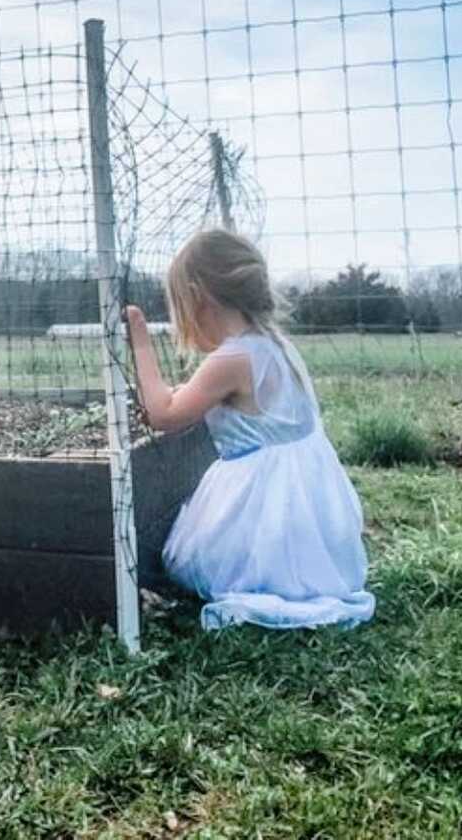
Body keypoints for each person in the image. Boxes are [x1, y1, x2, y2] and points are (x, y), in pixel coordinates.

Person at [126, 229, 375, 631]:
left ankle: (272, 573)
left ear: (196, 296)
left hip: (265, 505)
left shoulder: (231, 359)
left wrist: (138, 338)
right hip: (308, 504)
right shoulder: (272, 344)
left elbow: (164, 415)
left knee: (199, 566)